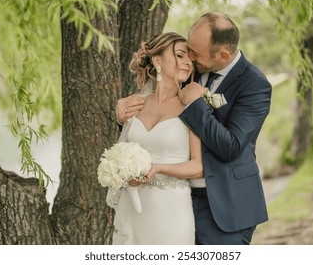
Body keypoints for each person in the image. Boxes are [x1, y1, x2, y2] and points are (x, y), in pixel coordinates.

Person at [116, 12, 272, 245]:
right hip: (176, 200)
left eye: (194, 54)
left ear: (223, 55)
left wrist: (195, 104)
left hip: (226, 205)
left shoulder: (255, 86)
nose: (189, 58)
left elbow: (230, 146)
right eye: (187, 50)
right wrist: (123, 118)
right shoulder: (191, 69)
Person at [108, 32, 203, 245]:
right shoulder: (136, 104)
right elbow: (122, 150)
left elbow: (198, 166)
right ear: (157, 61)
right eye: (180, 55)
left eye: (190, 58)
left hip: (171, 210)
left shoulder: (192, 105)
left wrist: (158, 168)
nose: (188, 62)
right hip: (132, 206)